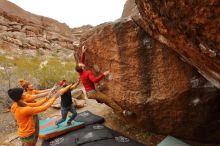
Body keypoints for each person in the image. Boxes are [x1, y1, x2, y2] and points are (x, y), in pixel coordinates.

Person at [8, 84, 73, 146]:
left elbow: (37, 104)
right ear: (19, 96)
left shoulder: (15, 105)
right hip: (28, 134)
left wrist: (48, 97)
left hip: (24, 133)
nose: (25, 93)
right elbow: (43, 108)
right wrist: (54, 98)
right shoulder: (24, 110)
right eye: (23, 93)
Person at [75, 46, 125, 115]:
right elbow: (95, 80)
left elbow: (81, 61)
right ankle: (123, 112)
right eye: (80, 64)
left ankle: (109, 106)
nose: (81, 62)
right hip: (92, 93)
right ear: (82, 67)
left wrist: (83, 52)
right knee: (109, 100)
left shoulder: (80, 73)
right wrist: (104, 74)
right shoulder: (87, 73)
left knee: (104, 100)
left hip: (89, 93)